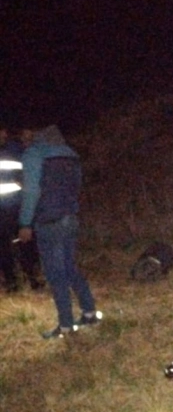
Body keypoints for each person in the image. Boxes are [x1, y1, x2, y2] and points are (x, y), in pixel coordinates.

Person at [17, 125, 102, 338]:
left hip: (49, 221)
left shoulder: (34, 154)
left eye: (25, 135)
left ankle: (65, 325)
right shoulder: (71, 154)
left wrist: (25, 222)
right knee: (70, 268)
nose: (23, 139)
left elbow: (32, 191)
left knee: (56, 274)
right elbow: (77, 186)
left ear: (35, 134)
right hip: (70, 218)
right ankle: (89, 312)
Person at [0, 126, 44, 292]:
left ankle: (33, 280)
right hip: (6, 209)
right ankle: (12, 283)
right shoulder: (15, 150)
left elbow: (29, 174)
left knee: (25, 243)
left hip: (17, 206)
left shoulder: (16, 150)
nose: (4, 134)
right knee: (4, 248)